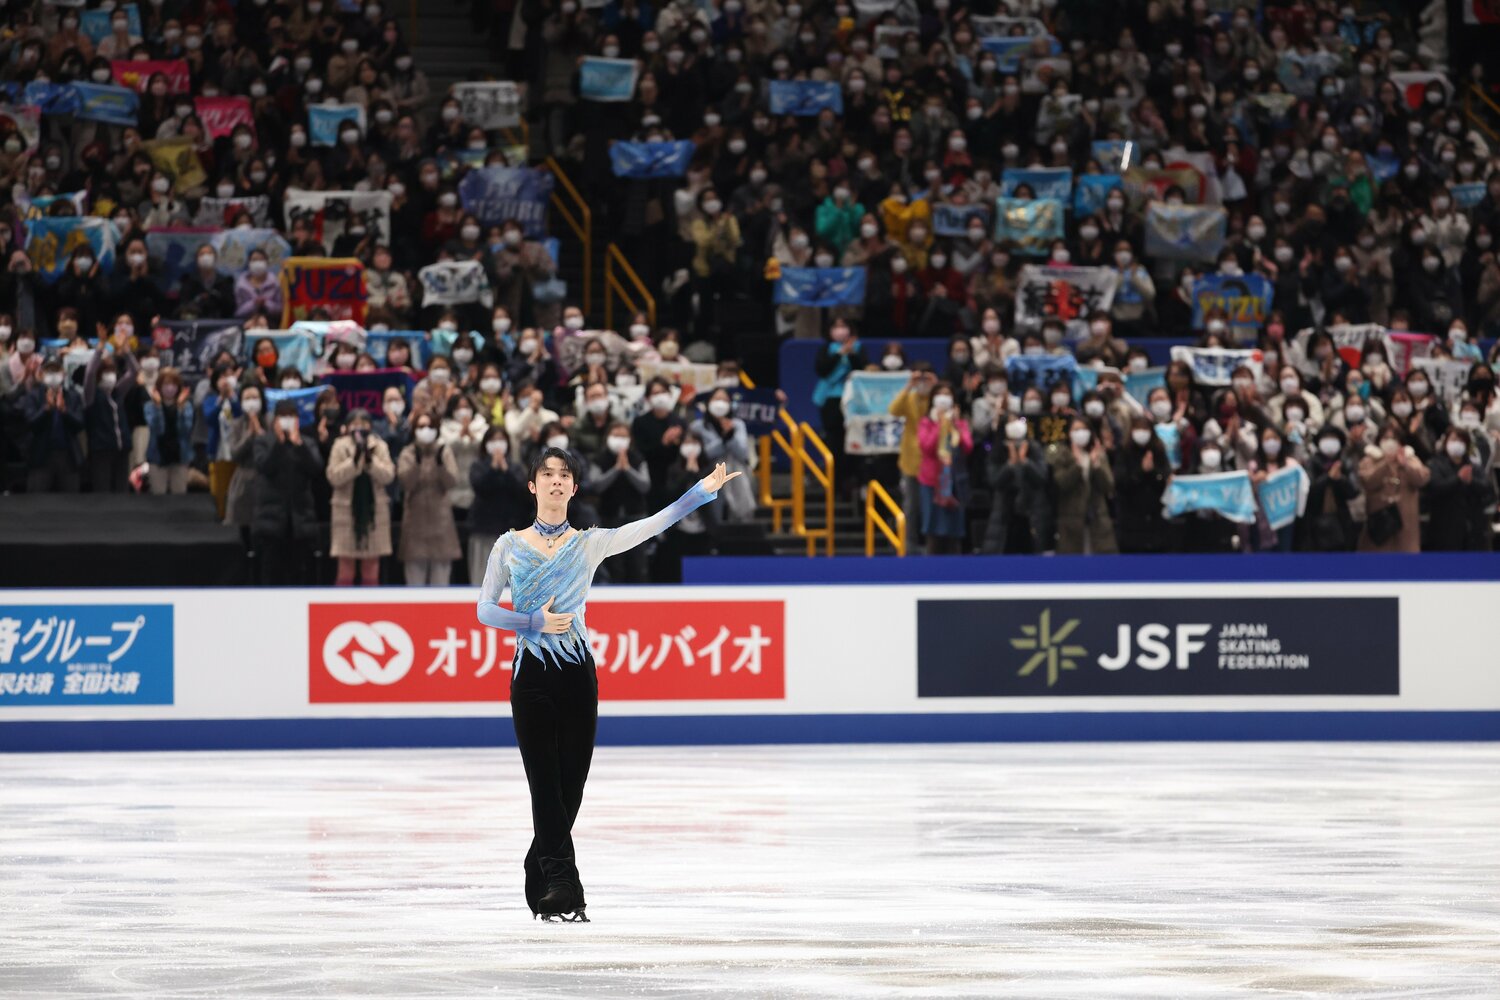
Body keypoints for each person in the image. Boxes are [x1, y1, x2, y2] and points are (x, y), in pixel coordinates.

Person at [475, 449, 742, 920]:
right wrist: (532, 620)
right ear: (533, 487)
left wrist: (700, 493)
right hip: (530, 676)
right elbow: (485, 610)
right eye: (547, 475)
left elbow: (652, 524)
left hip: (578, 675)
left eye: (565, 476)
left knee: (571, 785)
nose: (556, 482)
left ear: (574, 489)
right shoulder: (508, 545)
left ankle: (539, 864)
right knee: (544, 783)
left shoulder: (590, 543)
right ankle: (562, 883)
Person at [250, 400, 323, 585]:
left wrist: (299, 445)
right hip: (271, 521)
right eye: (283, 417)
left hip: (300, 520)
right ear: (275, 420)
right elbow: (264, 467)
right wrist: (279, 444)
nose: (287, 421)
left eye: (291, 417)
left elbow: (316, 469)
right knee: (271, 573)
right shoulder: (263, 441)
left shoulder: (307, 443)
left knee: (300, 573)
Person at [326, 408, 397, 585]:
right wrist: (355, 461)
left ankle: (372, 609)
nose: (359, 428)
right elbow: (333, 476)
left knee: (371, 568)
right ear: (348, 426)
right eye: (355, 424)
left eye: (363, 424)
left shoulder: (379, 446)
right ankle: (342, 610)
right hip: (346, 513)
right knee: (345, 569)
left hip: (374, 514)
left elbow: (388, 475)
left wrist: (370, 461)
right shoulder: (339, 446)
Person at [398, 411, 462, 585]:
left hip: (441, 525)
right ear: (414, 430)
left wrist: (440, 465)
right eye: (421, 426)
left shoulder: (443, 451)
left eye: (429, 426)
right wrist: (417, 465)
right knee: (414, 588)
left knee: (440, 587)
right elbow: (406, 483)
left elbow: (452, 482)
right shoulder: (408, 453)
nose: (426, 430)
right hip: (415, 525)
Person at [467, 425, 530, 586]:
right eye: (493, 440)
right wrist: (493, 468)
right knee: (483, 579)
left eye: (501, 440)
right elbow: (480, 487)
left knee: (510, 581)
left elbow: (522, 490)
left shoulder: (515, 467)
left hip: (511, 532)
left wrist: (505, 470)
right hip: (484, 530)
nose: (497, 444)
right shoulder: (478, 466)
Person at [916, 381, 973, 554]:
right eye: (940, 394)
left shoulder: (960, 423)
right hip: (931, 481)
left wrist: (954, 423)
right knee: (933, 526)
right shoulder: (926, 422)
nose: (944, 398)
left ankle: (955, 569)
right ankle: (931, 568)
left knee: (954, 528)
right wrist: (941, 424)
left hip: (954, 482)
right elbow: (926, 447)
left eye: (948, 394)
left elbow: (967, 447)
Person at [1049, 417, 1118, 555]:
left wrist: (1096, 465)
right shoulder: (1062, 454)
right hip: (1071, 521)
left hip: (1097, 519)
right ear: (1069, 433)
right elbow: (1062, 483)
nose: (1080, 433)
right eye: (1076, 429)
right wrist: (1077, 465)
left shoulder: (1098, 454)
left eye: (1083, 429)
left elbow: (1109, 486)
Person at [1357, 424, 1430, 553]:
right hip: (1379, 526)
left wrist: (1405, 465)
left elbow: (1422, 479)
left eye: (1394, 438)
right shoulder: (1369, 460)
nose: (1390, 442)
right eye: (1385, 438)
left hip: (1406, 527)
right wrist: (1385, 463)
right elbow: (1367, 482)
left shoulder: (1410, 459)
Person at [144, 367, 195, 495]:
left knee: (179, 495)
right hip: (158, 457)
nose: (170, 388)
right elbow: (157, 429)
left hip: (179, 456)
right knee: (158, 496)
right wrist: (159, 407)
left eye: (173, 384)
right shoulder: (150, 406)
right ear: (159, 387)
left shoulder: (186, 406)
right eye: (166, 384)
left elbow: (185, 430)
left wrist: (179, 408)